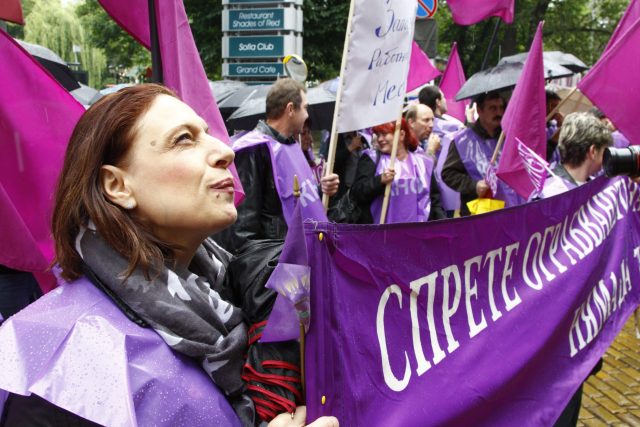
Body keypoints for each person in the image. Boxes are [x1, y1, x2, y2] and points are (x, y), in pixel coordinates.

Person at [0, 84, 338, 427]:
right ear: (117, 186)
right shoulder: (60, 362)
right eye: (183, 140)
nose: (225, 151)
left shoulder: (236, 295)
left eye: (207, 134)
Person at [216, 78, 339, 254]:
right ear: (290, 109)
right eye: (304, 108)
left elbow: (296, 198)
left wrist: (322, 189)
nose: (307, 115)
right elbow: (242, 229)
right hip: (276, 264)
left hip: (298, 254)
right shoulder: (254, 149)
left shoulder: (291, 146)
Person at [441, 92, 523, 216]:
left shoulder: (509, 136)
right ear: (479, 110)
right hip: (478, 213)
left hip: (510, 209)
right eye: (493, 108)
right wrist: (474, 186)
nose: (499, 113)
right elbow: (448, 174)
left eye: (501, 108)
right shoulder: (462, 141)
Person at [350, 119, 446, 224]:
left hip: (417, 232)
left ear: (401, 134)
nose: (380, 139)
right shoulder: (371, 159)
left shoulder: (423, 162)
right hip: (382, 233)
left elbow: (434, 199)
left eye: (385, 134)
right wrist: (379, 181)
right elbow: (356, 193)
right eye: (378, 135)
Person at [540, 112, 613, 198]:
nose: (607, 156)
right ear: (593, 151)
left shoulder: (547, 180)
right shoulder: (551, 195)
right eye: (605, 151)